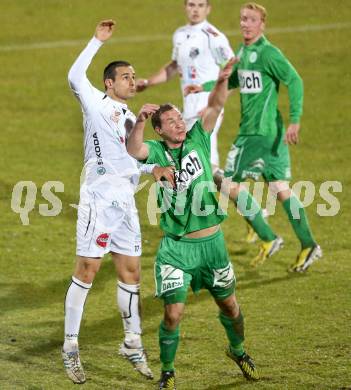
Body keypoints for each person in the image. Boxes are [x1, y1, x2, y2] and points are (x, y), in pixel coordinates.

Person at [127, 58, 259, 389]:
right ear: (160, 129)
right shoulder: (156, 152)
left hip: (213, 245)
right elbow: (134, 148)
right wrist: (140, 120)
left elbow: (214, 105)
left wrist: (222, 82)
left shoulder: (199, 136)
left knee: (230, 306)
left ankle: (238, 350)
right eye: (170, 121)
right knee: (173, 313)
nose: (178, 123)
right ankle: (168, 371)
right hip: (177, 249)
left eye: (178, 118)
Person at [62, 20, 171, 384]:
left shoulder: (128, 116)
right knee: (87, 271)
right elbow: (75, 75)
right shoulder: (95, 100)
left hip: (124, 201)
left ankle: (131, 342)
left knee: (131, 272)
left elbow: (130, 161)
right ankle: (71, 346)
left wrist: (152, 168)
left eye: (133, 76)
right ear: (110, 83)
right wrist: (97, 40)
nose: (131, 80)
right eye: (126, 76)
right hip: (99, 199)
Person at [185, 2, 322, 272]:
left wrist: (296, 120)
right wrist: (206, 86)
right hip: (270, 134)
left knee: (226, 183)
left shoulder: (269, 53)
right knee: (279, 188)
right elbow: (235, 80)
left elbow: (294, 80)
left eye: (251, 20)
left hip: (256, 134)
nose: (245, 23)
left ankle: (269, 238)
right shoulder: (243, 51)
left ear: (262, 24)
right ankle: (309, 244)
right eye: (243, 19)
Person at [136, 0, 234, 176]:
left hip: (206, 109)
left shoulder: (213, 37)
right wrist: (148, 82)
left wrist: (213, 105)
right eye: (191, 4)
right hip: (187, 111)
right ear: (185, 7)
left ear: (208, 8)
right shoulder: (180, 34)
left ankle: (250, 204)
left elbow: (232, 73)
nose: (195, 9)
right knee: (198, 168)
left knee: (203, 166)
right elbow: (174, 66)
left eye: (200, 5)